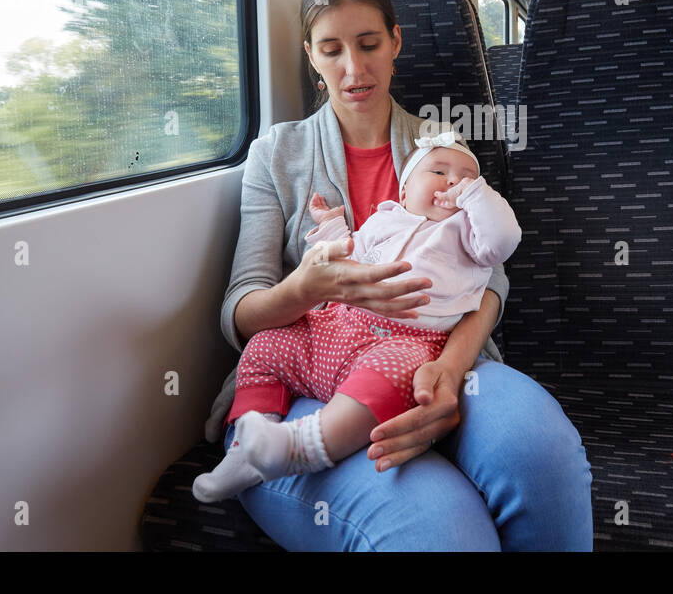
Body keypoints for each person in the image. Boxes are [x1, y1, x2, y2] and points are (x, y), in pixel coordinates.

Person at [202, 0, 592, 550]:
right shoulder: (275, 155)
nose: (353, 69)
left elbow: (491, 283)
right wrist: (312, 286)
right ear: (311, 55)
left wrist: (448, 370)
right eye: (332, 49)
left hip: (432, 352)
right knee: (444, 533)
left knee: (539, 449)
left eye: (368, 44)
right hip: (305, 383)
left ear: (396, 43)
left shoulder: (441, 147)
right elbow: (240, 311)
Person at [191, 132, 520, 501]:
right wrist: (331, 230)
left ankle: (300, 449)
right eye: (440, 172)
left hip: (409, 341)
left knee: (384, 383)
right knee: (268, 345)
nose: (453, 182)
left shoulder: (469, 236)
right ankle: (246, 449)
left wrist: (477, 197)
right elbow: (348, 258)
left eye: (466, 177)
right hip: (340, 325)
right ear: (404, 193)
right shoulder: (386, 220)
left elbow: (503, 239)